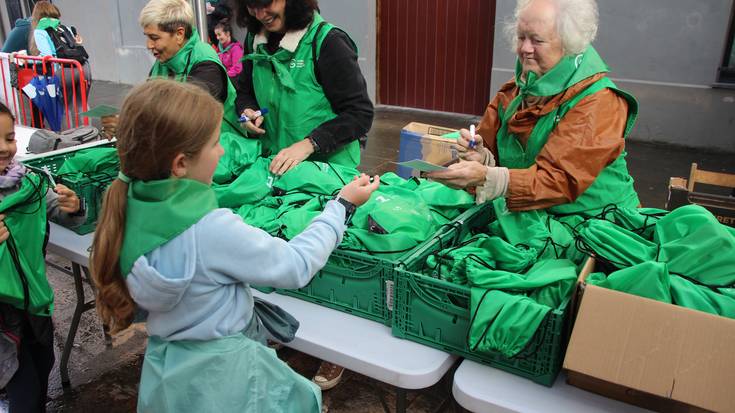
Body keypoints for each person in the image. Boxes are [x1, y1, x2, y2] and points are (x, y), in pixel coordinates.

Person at [89, 79, 379, 412]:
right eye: (215, 143)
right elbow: (297, 264)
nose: (223, 150)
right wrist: (340, 207)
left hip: (171, 373)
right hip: (227, 380)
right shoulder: (210, 230)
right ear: (181, 163)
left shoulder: (127, 206)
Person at [428, 0, 640, 216]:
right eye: (521, 37)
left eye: (537, 40)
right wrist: (481, 157)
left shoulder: (598, 101)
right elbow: (502, 160)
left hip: (591, 219)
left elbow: (560, 180)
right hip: (531, 213)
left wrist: (486, 177)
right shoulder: (517, 89)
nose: (524, 49)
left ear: (569, 43)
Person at [0, 101, 84, 412]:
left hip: (34, 301)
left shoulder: (30, 181)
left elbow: (61, 211)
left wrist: (74, 206)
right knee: (24, 385)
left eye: (9, 138)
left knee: (42, 362)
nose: (4, 148)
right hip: (3, 318)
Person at [234, 0, 374, 177]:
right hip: (275, 166)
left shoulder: (328, 42)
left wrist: (309, 144)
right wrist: (247, 110)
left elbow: (359, 114)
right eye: (252, 6)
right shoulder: (254, 40)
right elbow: (245, 91)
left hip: (325, 171)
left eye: (267, 3)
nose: (260, 15)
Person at [101, 0, 243, 143]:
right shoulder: (163, 62)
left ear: (179, 34)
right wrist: (121, 122)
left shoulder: (206, 65)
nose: (148, 45)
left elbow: (185, 122)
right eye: (147, 37)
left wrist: (130, 127)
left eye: (154, 38)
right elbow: (148, 107)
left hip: (220, 147)